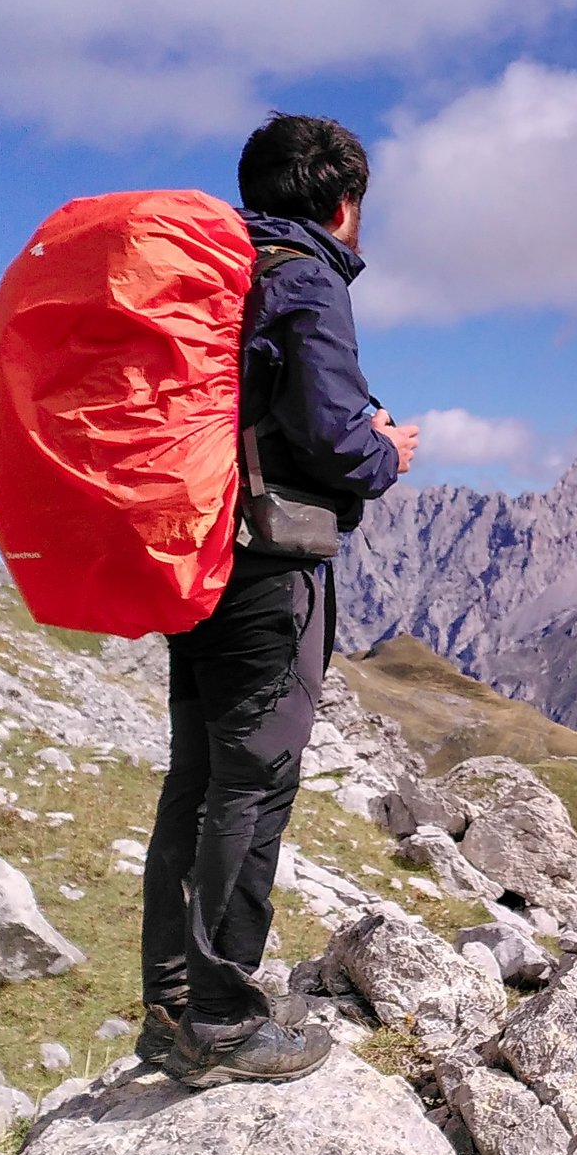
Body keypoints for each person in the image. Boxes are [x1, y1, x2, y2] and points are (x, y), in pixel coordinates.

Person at [138, 113, 418, 1086]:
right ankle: (222, 1020)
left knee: (195, 780)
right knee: (253, 782)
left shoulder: (220, 272)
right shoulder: (305, 278)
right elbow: (333, 435)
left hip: (196, 558)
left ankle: (172, 1006)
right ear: (343, 204)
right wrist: (386, 450)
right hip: (266, 567)